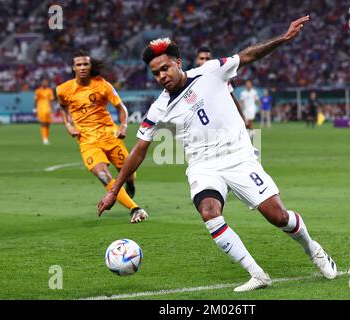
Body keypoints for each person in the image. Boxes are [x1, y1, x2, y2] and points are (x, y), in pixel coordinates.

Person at [98, 15, 337, 292]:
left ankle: (313, 249)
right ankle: (257, 273)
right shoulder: (158, 109)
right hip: (203, 166)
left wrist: (283, 39)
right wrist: (115, 190)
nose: (162, 76)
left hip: (239, 157)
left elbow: (247, 55)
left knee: (278, 217)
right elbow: (139, 151)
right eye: (155, 73)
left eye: (165, 68)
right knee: (209, 212)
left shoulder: (211, 70)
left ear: (178, 62)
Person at [57, 50, 148, 224]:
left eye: (86, 64)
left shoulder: (103, 85)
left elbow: (121, 108)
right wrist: (69, 125)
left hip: (110, 136)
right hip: (87, 141)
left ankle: (130, 184)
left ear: (91, 66)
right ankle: (135, 208)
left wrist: (123, 126)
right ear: (73, 67)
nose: (82, 67)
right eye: (79, 64)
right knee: (103, 175)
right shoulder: (63, 89)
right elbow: (63, 107)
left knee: (129, 175)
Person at [195, 47, 246, 125]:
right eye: (202, 59)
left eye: (207, 59)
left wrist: (242, 117)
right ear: (197, 61)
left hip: (223, 122)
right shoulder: (191, 79)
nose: (205, 61)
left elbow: (232, 97)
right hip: (203, 124)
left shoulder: (221, 76)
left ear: (212, 60)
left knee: (253, 136)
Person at [34, 78, 54, 145]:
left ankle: (46, 138)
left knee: (48, 124)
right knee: (43, 123)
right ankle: (44, 138)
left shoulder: (50, 90)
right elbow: (35, 100)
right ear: (41, 83)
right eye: (43, 82)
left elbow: (51, 100)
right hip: (41, 108)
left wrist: (52, 108)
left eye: (46, 82)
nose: (45, 83)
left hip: (48, 108)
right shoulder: (38, 91)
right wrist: (34, 108)